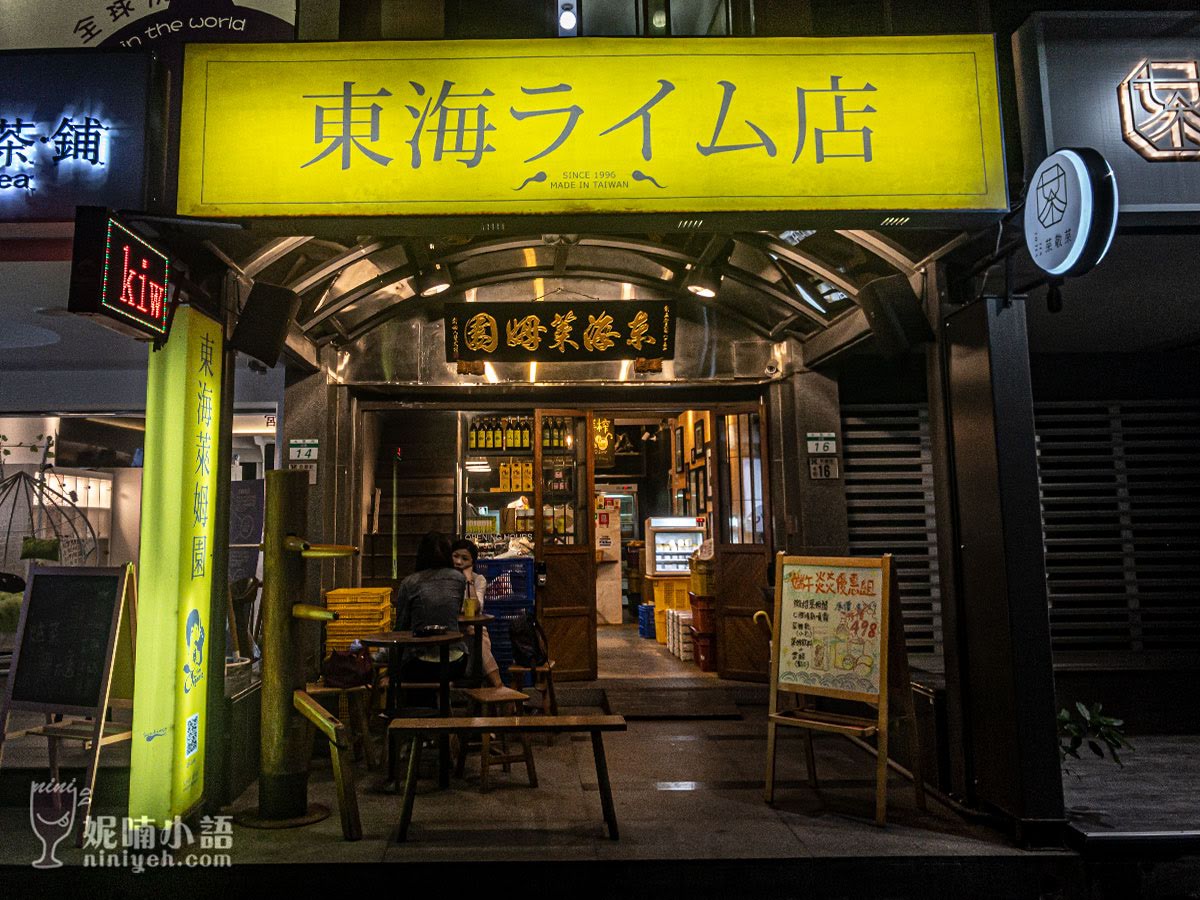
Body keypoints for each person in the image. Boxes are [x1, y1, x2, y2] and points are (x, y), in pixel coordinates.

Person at [394, 531, 468, 685]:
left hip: (421, 662)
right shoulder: (459, 579)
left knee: (402, 667)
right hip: (457, 660)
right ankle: (441, 707)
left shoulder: (409, 583)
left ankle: (415, 707)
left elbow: (401, 627)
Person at [451, 538, 503, 687]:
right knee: (476, 637)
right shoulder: (447, 578)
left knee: (476, 634)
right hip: (453, 629)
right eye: (455, 556)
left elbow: (475, 609)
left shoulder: (478, 580)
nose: (459, 562)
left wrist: (468, 580)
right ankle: (498, 685)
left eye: (465, 558)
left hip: (471, 629)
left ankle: (494, 687)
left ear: (472, 562)